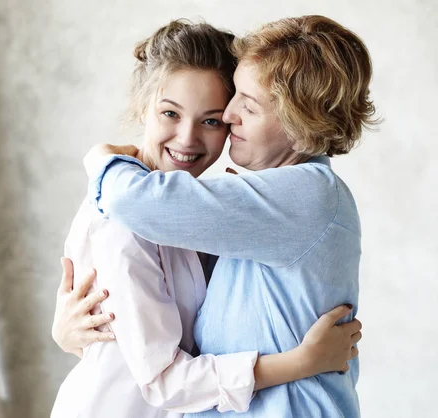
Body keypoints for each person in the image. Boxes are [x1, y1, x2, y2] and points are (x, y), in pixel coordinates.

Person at [66, 14, 379, 418]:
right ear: (143, 104)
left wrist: (100, 157)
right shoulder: (236, 208)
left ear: (301, 129)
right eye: (170, 113)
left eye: (243, 107)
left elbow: (130, 199)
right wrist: (68, 334)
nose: (230, 117)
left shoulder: (302, 196)